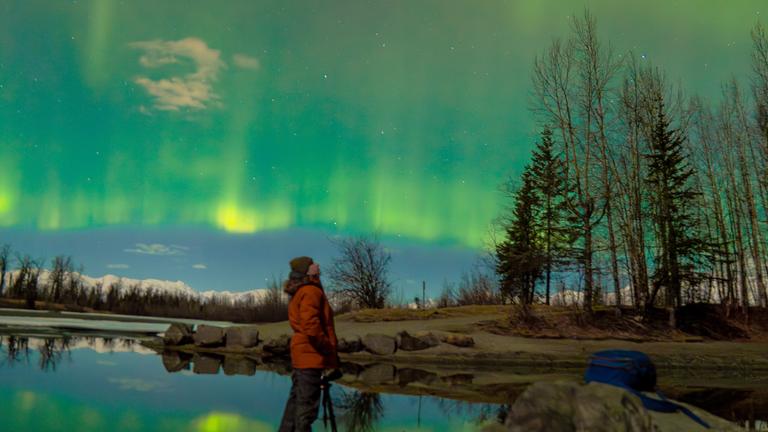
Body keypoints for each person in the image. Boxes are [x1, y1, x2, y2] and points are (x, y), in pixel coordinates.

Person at [278, 256, 339, 432]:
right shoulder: (310, 291)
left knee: (295, 406)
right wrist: (327, 348)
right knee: (306, 411)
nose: (317, 265)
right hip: (311, 355)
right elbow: (311, 326)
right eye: (312, 264)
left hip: (303, 355)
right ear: (306, 271)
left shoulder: (302, 291)